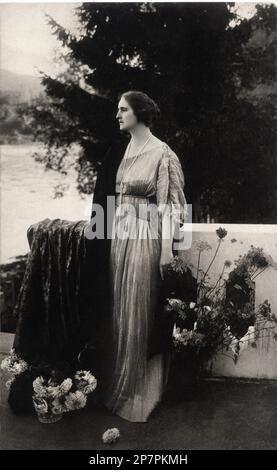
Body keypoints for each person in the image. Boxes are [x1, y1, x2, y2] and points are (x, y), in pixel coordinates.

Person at [99, 90, 188, 422]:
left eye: (123, 110)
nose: (118, 115)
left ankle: (141, 393)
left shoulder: (163, 154)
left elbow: (172, 208)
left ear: (138, 113)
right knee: (121, 310)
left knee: (140, 309)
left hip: (145, 238)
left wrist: (166, 249)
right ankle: (122, 385)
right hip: (120, 239)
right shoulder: (126, 150)